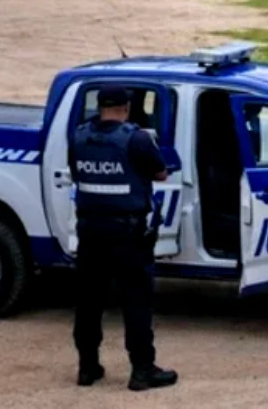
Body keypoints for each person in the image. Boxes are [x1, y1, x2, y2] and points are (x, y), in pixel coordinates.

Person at [68, 85, 178, 391]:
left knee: (88, 302)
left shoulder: (78, 137)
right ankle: (142, 371)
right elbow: (160, 174)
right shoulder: (137, 139)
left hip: (90, 232)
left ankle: (87, 368)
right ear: (126, 108)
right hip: (127, 235)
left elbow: (78, 174)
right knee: (136, 302)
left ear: (99, 106)